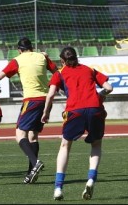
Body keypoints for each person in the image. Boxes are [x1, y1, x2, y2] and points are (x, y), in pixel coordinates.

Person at [40, 46, 113, 201]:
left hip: (75, 111)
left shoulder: (60, 73)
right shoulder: (89, 70)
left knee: (65, 146)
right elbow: (109, 87)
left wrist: (45, 113)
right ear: (76, 57)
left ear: (62, 60)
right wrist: (100, 95)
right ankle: (91, 178)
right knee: (96, 144)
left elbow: (50, 95)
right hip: (95, 109)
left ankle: (58, 187)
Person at [0, 37, 58, 184]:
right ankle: (30, 174)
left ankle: (35, 163)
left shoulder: (18, 60)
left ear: (19, 50)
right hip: (45, 100)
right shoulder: (42, 57)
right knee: (33, 136)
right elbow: (56, 72)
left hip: (31, 100)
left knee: (19, 134)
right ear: (31, 48)